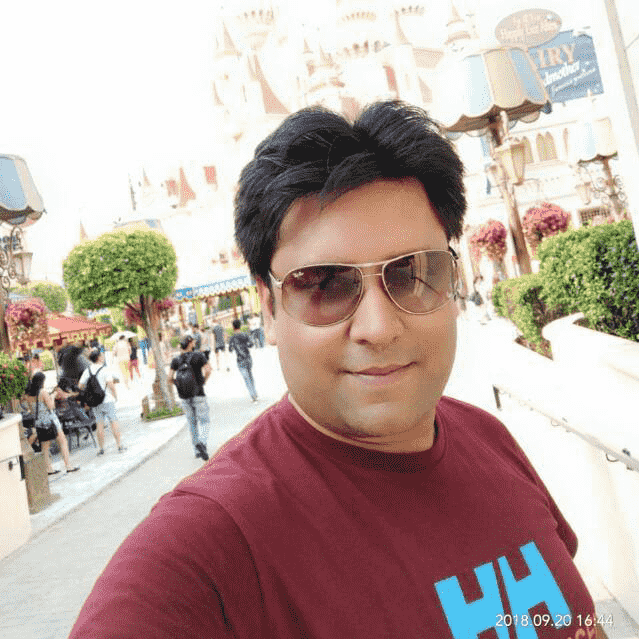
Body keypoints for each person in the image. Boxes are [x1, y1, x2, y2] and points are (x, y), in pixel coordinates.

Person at [69, 102, 599, 638]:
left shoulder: (488, 439)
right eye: (324, 284)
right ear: (268, 309)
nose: (378, 327)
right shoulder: (209, 546)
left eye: (412, 273)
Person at [24, 372, 79, 475]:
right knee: (62, 441)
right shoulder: (43, 392)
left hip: (39, 423)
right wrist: (53, 396)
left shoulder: (28, 395)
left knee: (45, 446)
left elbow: (32, 410)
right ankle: (68, 466)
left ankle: (49, 469)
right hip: (50, 420)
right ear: (42, 381)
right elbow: (51, 406)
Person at [168, 335, 212, 461]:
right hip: (198, 393)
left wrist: (178, 384)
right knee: (205, 421)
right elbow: (208, 370)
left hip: (184, 396)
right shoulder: (199, 356)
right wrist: (203, 381)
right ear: (191, 343)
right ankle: (202, 443)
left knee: (192, 423)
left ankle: (196, 450)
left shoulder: (176, 360)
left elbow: (169, 378)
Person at [78, 348, 125, 455]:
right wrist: (115, 395)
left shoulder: (87, 371)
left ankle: (101, 449)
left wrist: (90, 389)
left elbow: (80, 386)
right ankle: (119, 446)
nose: (103, 357)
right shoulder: (105, 370)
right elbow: (110, 384)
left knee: (99, 424)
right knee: (113, 422)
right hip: (107, 399)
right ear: (98, 358)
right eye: (102, 356)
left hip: (95, 402)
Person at [228, 318, 258, 402]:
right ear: (240, 326)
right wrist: (244, 345)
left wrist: (235, 346)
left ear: (233, 327)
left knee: (246, 378)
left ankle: (253, 395)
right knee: (250, 375)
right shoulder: (245, 335)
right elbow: (251, 344)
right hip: (248, 357)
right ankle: (254, 392)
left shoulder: (232, 338)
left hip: (240, 359)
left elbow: (230, 349)